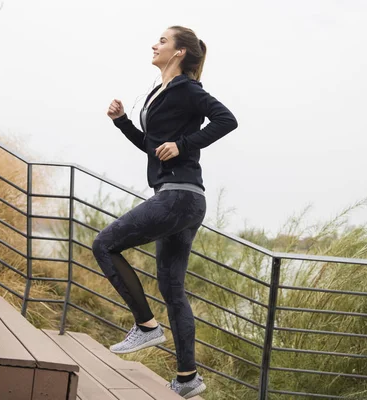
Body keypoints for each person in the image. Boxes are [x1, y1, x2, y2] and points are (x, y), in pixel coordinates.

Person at [91, 25, 238, 399]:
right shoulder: (161, 92)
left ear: (179, 53)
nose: (154, 44)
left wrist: (183, 144)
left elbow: (226, 119)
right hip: (185, 199)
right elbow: (153, 147)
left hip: (177, 197)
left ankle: (146, 326)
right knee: (173, 289)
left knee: (105, 244)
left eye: (162, 40)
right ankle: (188, 378)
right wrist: (122, 121)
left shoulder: (188, 89)